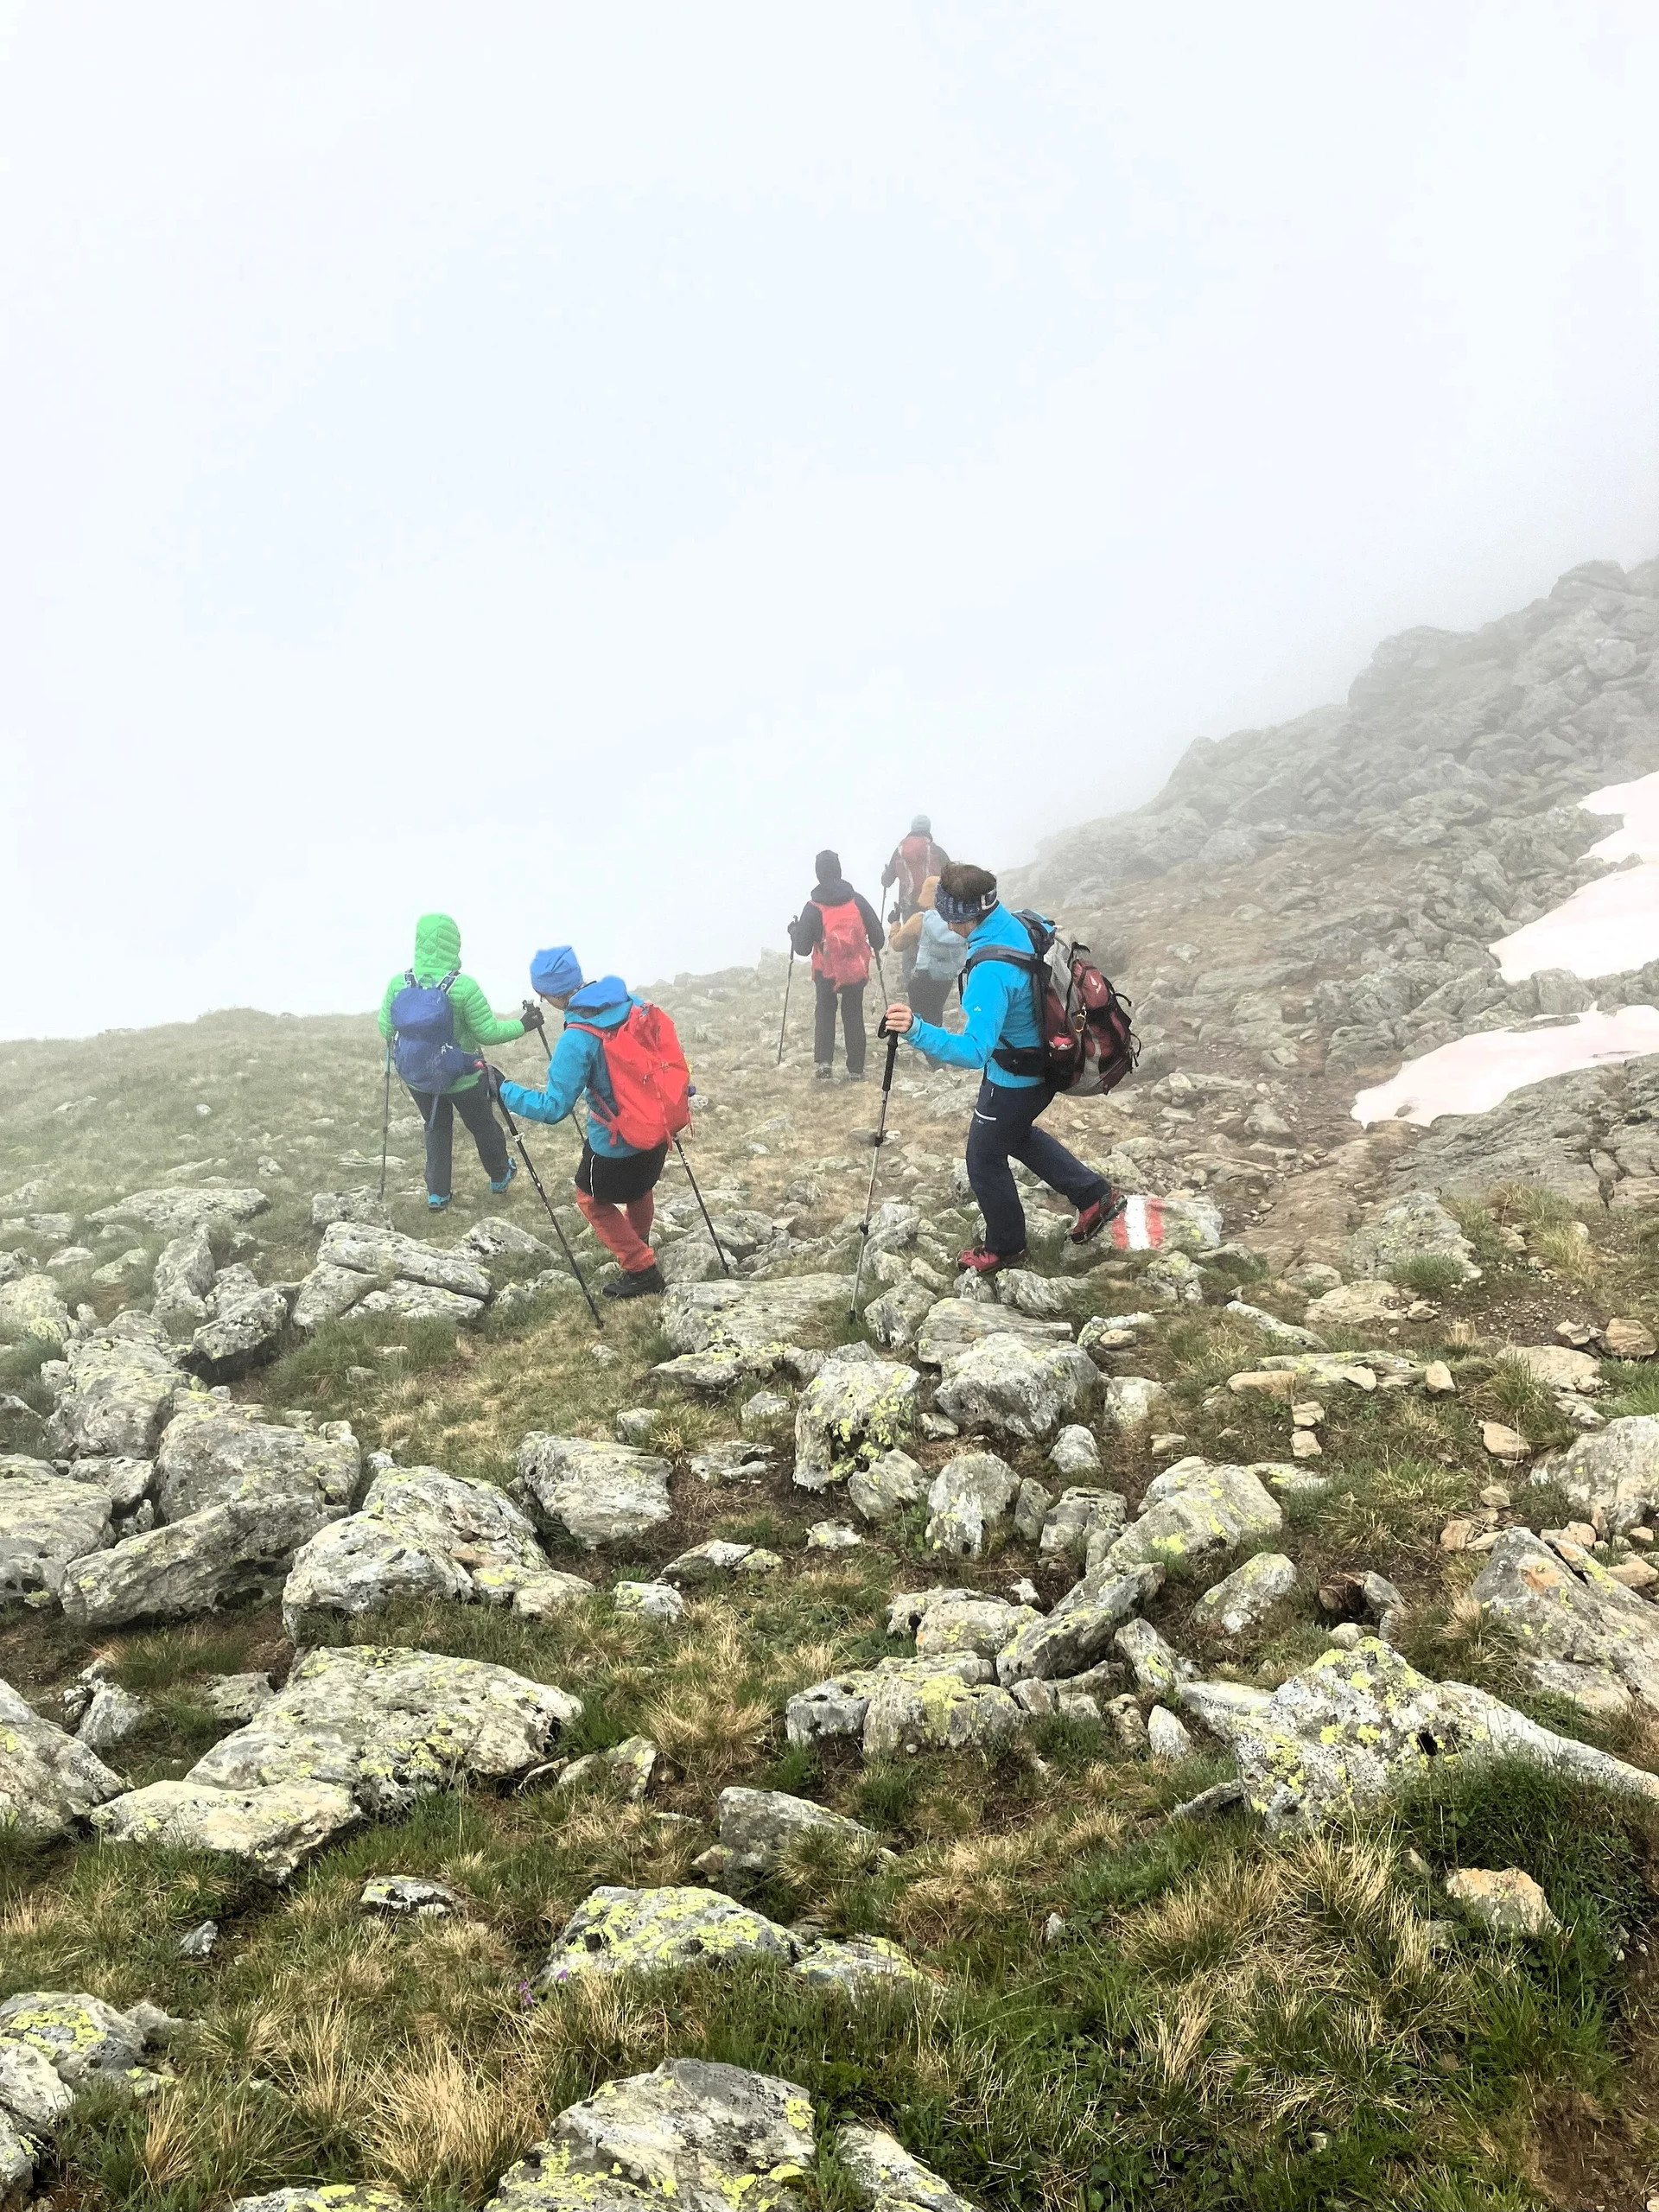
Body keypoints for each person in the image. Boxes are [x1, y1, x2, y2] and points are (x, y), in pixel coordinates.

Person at [882, 861, 1123, 1274]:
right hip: (1049, 1060)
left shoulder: (990, 972)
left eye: (949, 914)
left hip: (1015, 1077)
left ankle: (1005, 1246)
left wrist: (916, 1029)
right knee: (1017, 1135)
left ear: (963, 915)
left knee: (983, 1158)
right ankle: (1093, 1195)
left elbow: (974, 1051)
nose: (946, 922)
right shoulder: (1019, 923)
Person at [491, 957, 667, 1299]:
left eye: (542, 995)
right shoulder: (633, 1004)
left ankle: (641, 1269)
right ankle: (639, 1241)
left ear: (553, 994)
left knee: (591, 1199)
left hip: (615, 1141)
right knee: (640, 1187)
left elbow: (553, 1108)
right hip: (656, 1125)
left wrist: (503, 1089)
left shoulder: (578, 1038)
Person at [378, 912, 539, 1211]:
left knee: (436, 1128)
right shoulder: (463, 987)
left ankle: (437, 1194)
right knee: (482, 1125)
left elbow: (386, 1030)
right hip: (462, 1076)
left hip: (418, 1077)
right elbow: (488, 1033)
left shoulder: (398, 984)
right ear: (454, 943)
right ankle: (500, 1175)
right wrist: (524, 1025)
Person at [787, 849, 885, 1083]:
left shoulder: (813, 906)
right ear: (839, 870)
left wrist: (794, 932)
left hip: (826, 971)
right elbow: (879, 939)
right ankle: (856, 1070)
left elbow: (802, 949)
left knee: (825, 1011)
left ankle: (825, 1065)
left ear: (818, 874)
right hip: (855, 970)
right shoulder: (857, 900)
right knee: (853, 1013)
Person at [891, 874, 964, 1026]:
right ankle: (937, 1039)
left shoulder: (920, 919)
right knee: (936, 1016)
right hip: (946, 978)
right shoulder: (957, 920)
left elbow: (897, 944)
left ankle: (923, 1041)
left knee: (919, 1023)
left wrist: (894, 924)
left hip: (923, 978)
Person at [881, 814, 950, 922]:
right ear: (928, 829)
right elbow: (952, 877)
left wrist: (884, 875)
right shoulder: (936, 851)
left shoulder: (899, 852)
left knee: (911, 932)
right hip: (932, 907)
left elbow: (887, 882)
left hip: (908, 908)